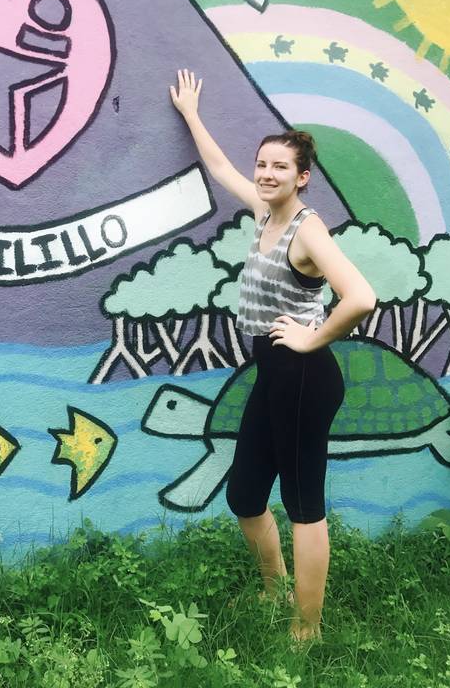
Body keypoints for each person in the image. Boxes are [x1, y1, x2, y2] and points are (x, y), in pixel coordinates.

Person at [169, 69, 376, 642]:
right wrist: (190, 113)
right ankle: (273, 586)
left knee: (303, 502)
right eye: (263, 163)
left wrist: (313, 337)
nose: (265, 173)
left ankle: (306, 630)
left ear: (302, 178)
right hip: (273, 370)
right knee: (244, 494)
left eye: (279, 167)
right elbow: (221, 169)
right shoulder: (264, 212)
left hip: (305, 375)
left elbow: (360, 296)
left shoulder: (307, 231)